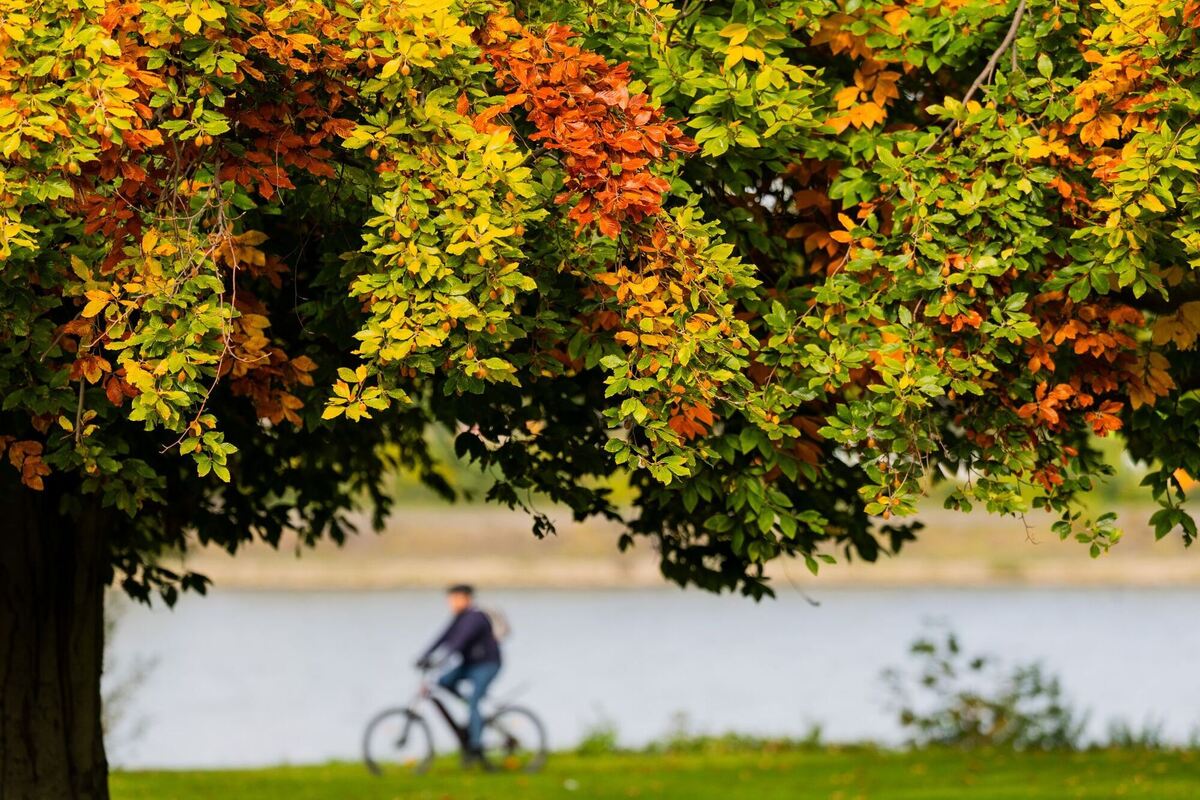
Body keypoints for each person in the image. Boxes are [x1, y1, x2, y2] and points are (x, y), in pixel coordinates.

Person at [416, 584, 502, 762]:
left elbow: (459, 642)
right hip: (469, 664)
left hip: (487, 664)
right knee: (444, 681)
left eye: (455, 598)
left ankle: (475, 746)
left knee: (474, 701)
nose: (451, 603)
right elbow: (442, 637)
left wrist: (440, 659)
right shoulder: (459, 618)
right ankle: (470, 707)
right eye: (450, 599)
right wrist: (424, 656)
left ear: (466, 598)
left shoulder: (476, 617)